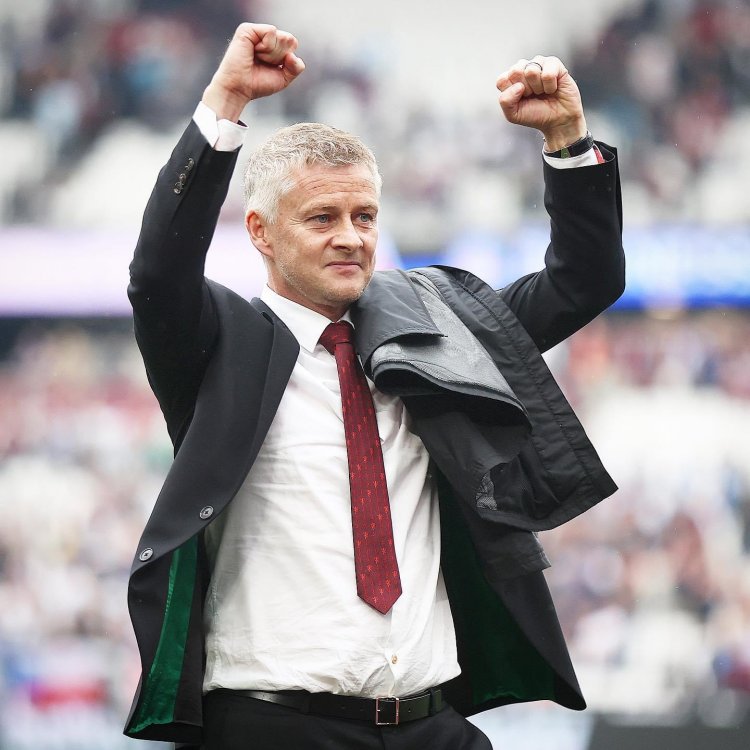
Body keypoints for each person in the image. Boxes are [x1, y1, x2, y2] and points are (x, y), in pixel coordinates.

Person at [125, 22, 624, 750]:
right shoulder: (219, 346)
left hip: (431, 724)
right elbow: (157, 275)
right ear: (261, 232)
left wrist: (567, 141)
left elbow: (584, 281)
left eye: (364, 217)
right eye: (321, 218)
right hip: (273, 727)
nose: (351, 237)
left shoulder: (435, 333)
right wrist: (226, 100)